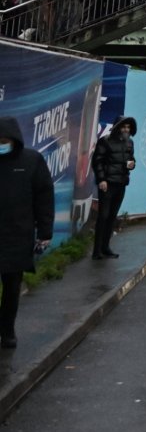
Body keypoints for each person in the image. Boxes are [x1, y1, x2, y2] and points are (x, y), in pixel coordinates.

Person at [0, 116, 54, 348]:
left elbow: (44, 197)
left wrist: (45, 232)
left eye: (4, 140)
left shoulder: (32, 160)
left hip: (17, 235)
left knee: (12, 287)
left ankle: (7, 329)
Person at [91, 115, 138, 259]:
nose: (126, 129)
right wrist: (101, 179)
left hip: (121, 183)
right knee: (103, 216)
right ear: (117, 127)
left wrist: (132, 164)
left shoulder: (130, 143)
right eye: (124, 127)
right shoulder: (105, 141)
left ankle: (106, 247)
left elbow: (131, 159)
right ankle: (97, 251)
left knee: (112, 217)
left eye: (128, 127)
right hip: (107, 184)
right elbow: (97, 161)